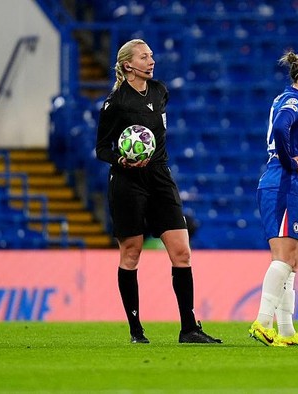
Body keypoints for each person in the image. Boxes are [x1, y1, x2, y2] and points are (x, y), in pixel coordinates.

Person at [95, 38, 221, 344]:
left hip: (160, 177)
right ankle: (136, 330)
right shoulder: (116, 103)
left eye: (151, 55)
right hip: (127, 181)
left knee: (181, 251)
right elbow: (101, 149)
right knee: (132, 253)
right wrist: (121, 159)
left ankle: (189, 328)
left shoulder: (159, 91)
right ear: (128, 66)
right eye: (144, 56)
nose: (151, 60)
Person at [248, 51, 298, 347]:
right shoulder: (292, 100)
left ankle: (286, 332)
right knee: (283, 259)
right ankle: (262, 321)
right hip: (281, 185)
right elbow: (281, 128)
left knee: (292, 262)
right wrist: (287, 160)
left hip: (294, 189)